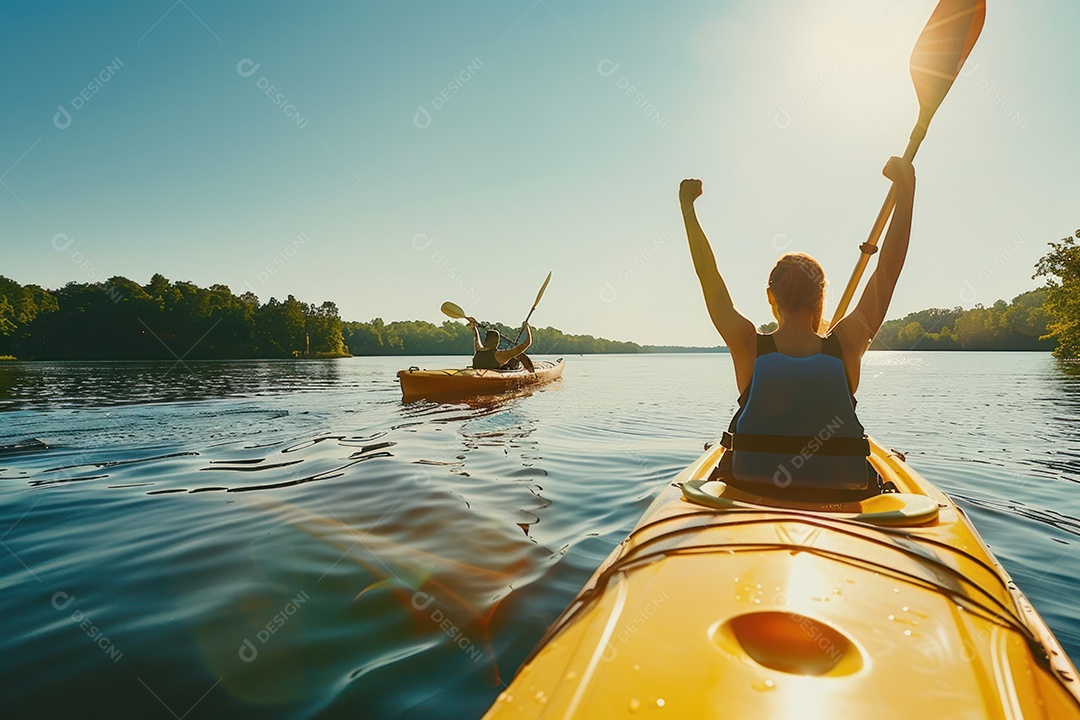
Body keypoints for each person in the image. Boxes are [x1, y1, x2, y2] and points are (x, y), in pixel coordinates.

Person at [680, 157, 916, 500]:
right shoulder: (848, 343)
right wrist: (907, 188)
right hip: (843, 496)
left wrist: (688, 208)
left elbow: (708, 277)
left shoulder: (746, 343)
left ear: (770, 297)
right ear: (821, 297)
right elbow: (888, 271)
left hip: (749, 489)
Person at [466, 317, 534, 371]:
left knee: (517, 357)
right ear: (497, 342)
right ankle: (532, 374)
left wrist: (474, 328)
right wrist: (527, 327)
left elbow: (476, 337)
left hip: (479, 374)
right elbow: (528, 343)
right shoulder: (500, 355)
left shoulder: (479, 350)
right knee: (521, 355)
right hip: (490, 378)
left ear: (486, 341)